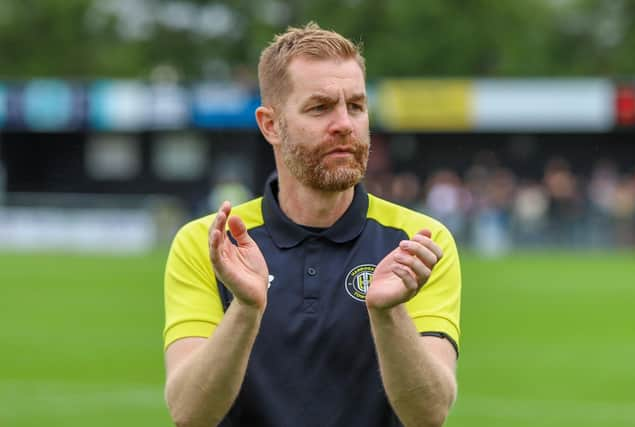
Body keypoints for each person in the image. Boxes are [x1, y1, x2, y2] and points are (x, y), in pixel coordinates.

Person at [163, 22, 461, 427]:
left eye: (355, 106)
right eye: (320, 108)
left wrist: (388, 313)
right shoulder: (209, 243)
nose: (345, 124)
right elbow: (189, 414)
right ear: (271, 125)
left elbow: (429, 415)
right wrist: (246, 309)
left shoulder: (418, 242)